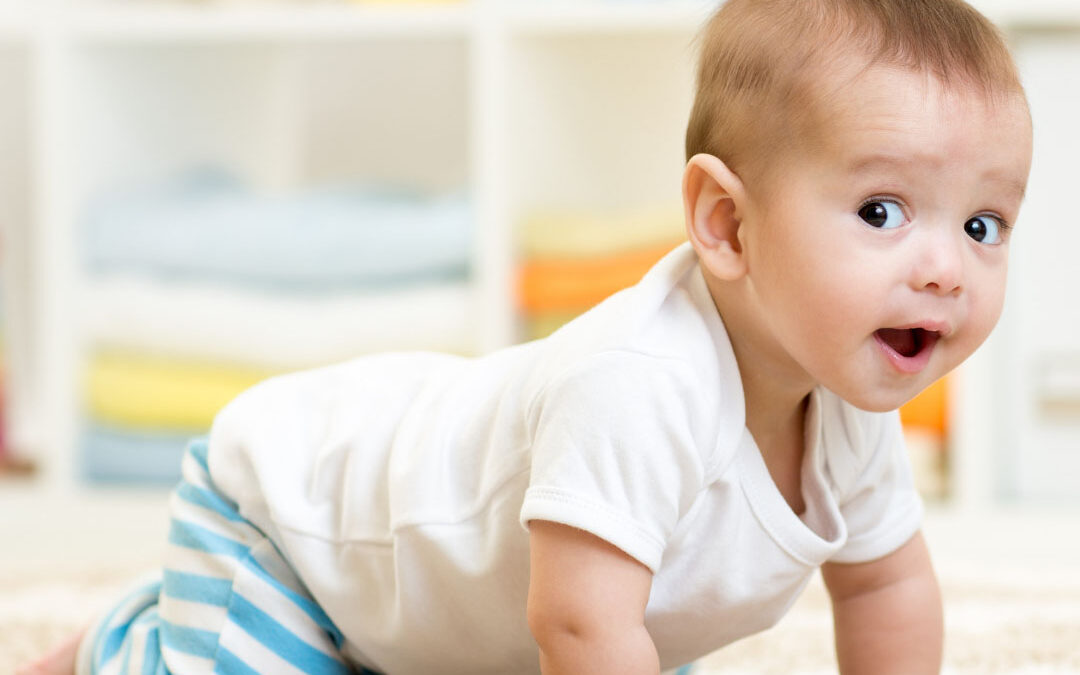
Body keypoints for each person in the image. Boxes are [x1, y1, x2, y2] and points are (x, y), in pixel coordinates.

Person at [22, 0, 1033, 673]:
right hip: (296, 530)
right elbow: (579, 624)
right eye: (883, 211)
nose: (947, 268)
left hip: (458, 620)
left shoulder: (843, 402)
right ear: (727, 225)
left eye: (983, 225)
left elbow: (886, 583)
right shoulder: (640, 383)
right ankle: (125, 644)